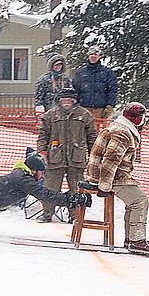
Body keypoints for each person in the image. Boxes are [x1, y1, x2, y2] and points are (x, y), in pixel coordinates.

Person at [83, 101, 149, 255]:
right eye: (143, 117)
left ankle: (131, 239)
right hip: (110, 177)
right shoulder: (122, 132)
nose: (144, 121)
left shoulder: (121, 128)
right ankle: (136, 240)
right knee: (140, 201)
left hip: (113, 175)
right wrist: (103, 186)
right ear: (136, 118)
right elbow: (110, 161)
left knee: (134, 201)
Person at [36, 85, 97, 223]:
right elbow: (42, 135)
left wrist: (93, 155)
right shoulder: (50, 115)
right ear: (59, 101)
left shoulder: (85, 115)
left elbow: (92, 137)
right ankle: (47, 214)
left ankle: (75, 216)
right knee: (50, 188)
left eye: (69, 100)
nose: (67, 103)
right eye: (64, 100)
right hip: (55, 157)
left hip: (77, 158)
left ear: (74, 101)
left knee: (77, 188)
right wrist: (42, 151)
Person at [72, 46, 119, 121]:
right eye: (91, 54)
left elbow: (113, 90)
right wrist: (75, 104)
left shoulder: (107, 72)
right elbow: (75, 90)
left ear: (99, 56)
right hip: (83, 109)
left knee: (99, 131)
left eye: (95, 54)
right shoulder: (81, 72)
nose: (93, 56)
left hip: (100, 110)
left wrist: (110, 105)